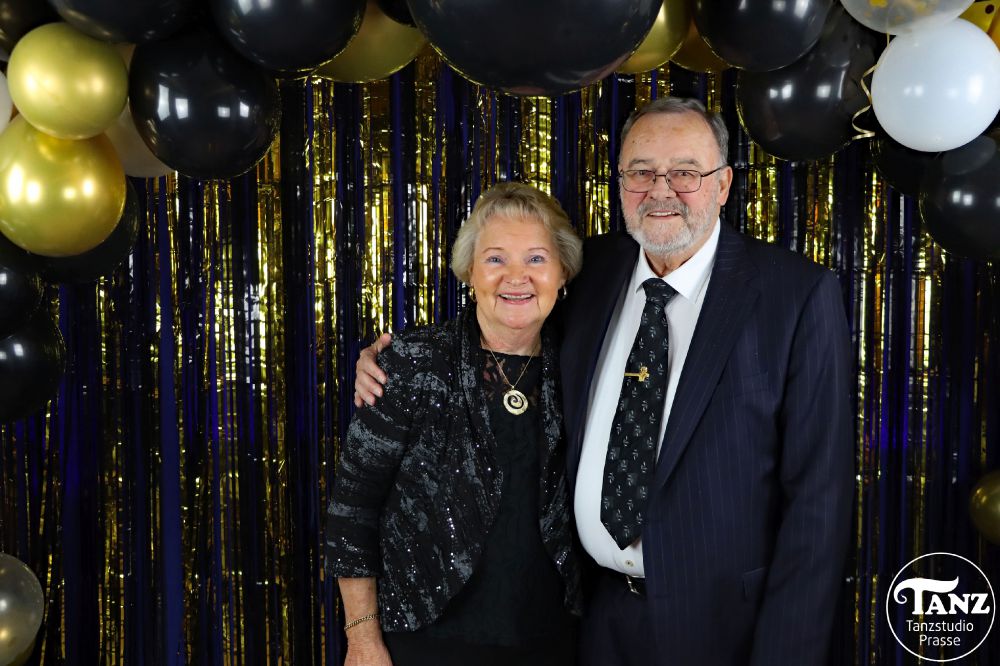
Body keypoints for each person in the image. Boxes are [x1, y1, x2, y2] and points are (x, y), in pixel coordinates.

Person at [354, 97, 853, 665]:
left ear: (723, 184)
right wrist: (394, 361)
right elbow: (507, 325)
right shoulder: (591, 271)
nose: (661, 190)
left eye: (685, 172)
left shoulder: (795, 296)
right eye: (641, 171)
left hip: (723, 628)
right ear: (620, 183)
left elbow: (817, 507)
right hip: (591, 622)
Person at [326, 182, 584, 666]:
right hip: (425, 642)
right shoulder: (410, 363)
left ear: (563, 272)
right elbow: (352, 509)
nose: (516, 277)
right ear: (469, 272)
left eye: (535, 258)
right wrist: (361, 638)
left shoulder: (581, 363)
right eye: (495, 259)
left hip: (550, 640)